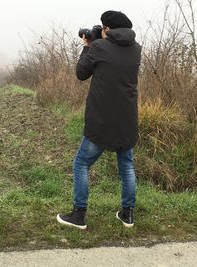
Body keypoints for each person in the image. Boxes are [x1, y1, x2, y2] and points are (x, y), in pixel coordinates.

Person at [57, 10, 142, 230]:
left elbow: (81, 73)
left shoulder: (99, 47)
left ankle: (79, 215)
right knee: (127, 168)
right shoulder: (136, 50)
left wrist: (87, 45)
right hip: (127, 121)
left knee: (81, 163)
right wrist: (99, 40)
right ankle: (127, 214)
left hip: (101, 121)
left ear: (107, 29)